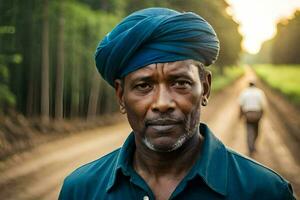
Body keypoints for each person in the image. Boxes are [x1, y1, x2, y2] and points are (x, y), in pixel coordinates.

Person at [59, 8, 295, 200]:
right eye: (144, 86)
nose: (162, 103)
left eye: (180, 83)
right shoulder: (81, 191)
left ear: (205, 87)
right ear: (121, 96)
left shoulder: (265, 191)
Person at [239, 80, 267, 155]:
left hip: (248, 115)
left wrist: (240, 116)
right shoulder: (260, 92)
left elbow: (241, 105)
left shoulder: (244, 92)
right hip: (257, 114)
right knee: (256, 131)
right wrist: (262, 115)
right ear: (255, 85)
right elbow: (263, 105)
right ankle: (253, 146)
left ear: (249, 85)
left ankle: (250, 147)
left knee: (249, 131)